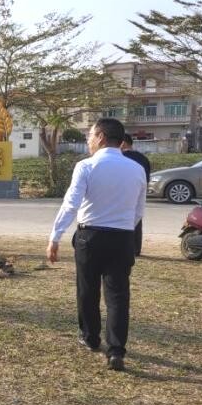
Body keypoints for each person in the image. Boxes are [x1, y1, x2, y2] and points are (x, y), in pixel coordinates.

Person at [47, 118, 146, 372]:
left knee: (87, 290)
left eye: (90, 135)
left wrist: (55, 236)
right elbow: (138, 211)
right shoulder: (136, 169)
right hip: (122, 238)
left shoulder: (86, 166)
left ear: (101, 137)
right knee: (118, 295)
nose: (88, 140)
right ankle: (116, 350)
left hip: (90, 237)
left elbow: (71, 204)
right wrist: (123, 228)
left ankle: (91, 337)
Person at [119, 134, 151, 256]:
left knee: (121, 220)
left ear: (123, 143)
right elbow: (147, 179)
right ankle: (136, 249)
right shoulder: (143, 158)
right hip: (138, 192)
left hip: (121, 193)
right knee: (137, 219)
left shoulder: (120, 157)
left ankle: (122, 247)